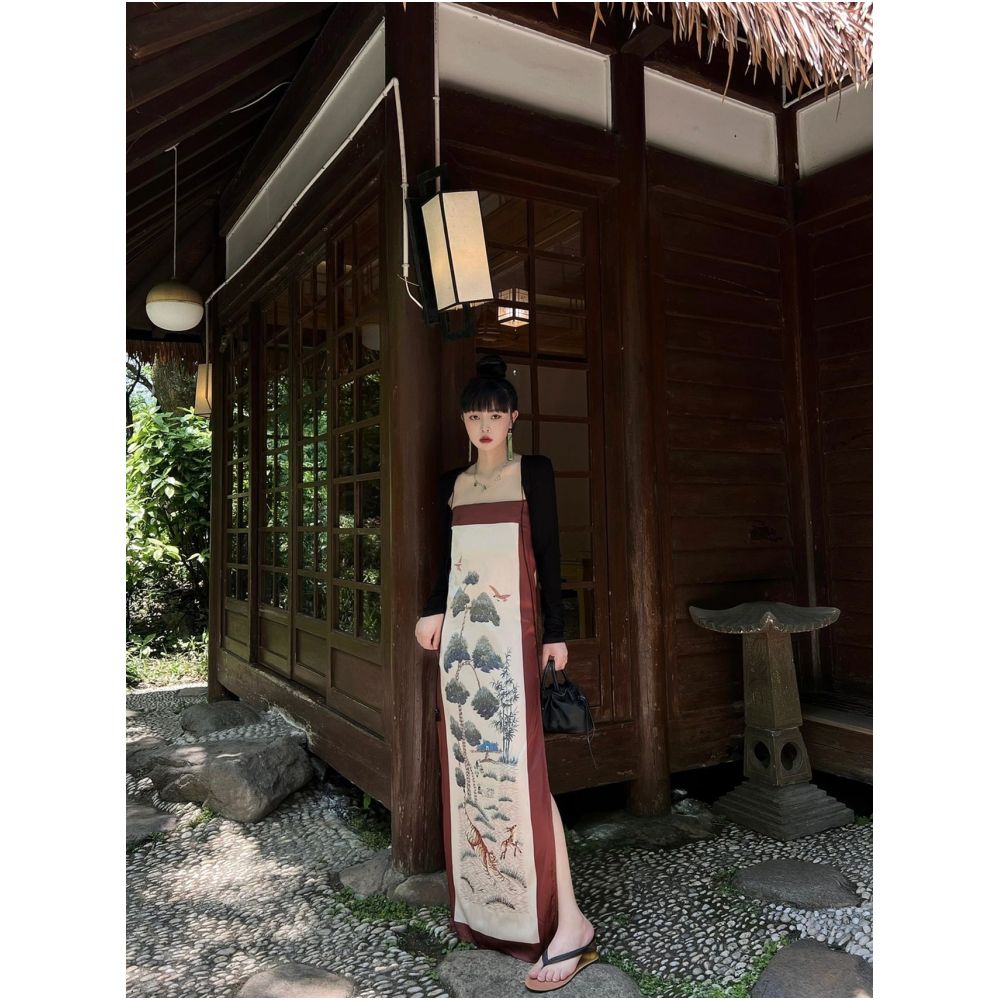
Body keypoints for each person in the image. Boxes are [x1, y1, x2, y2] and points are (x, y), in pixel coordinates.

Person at [414, 353, 598, 992]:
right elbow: (448, 560)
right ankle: (496, 914)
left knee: (526, 776)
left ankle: (569, 923)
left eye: (495, 414)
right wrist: (433, 609)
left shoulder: (533, 473)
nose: (485, 425)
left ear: (513, 418)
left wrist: (557, 632)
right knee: (475, 776)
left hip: (514, 647)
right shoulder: (454, 483)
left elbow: (549, 553)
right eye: (474, 415)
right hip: (464, 653)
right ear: (464, 421)